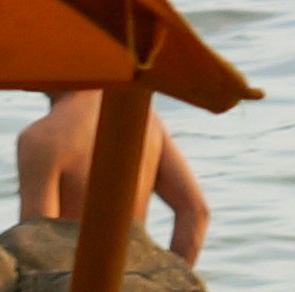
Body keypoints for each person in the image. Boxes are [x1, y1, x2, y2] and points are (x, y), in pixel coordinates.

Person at [16, 88, 212, 263]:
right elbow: (195, 212)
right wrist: (171, 284)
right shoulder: (142, 118)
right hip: (136, 276)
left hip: (74, 289)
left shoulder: (42, 138)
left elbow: (38, 246)